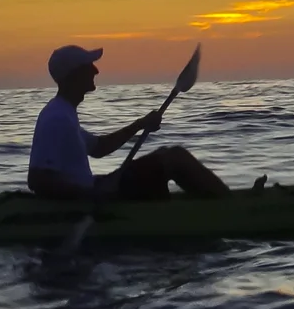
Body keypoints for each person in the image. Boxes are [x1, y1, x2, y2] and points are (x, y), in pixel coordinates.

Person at [29, 44, 231, 202]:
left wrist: (140, 124)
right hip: (90, 196)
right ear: (73, 75)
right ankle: (230, 206)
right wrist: (92, 196)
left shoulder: (64, 112)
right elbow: (38, 180)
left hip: (96, 188)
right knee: (175, 158)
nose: (96, 71)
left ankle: (216, 201)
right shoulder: (56, 118)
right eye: (88, 66)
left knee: (166, 153)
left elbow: (99, 148)